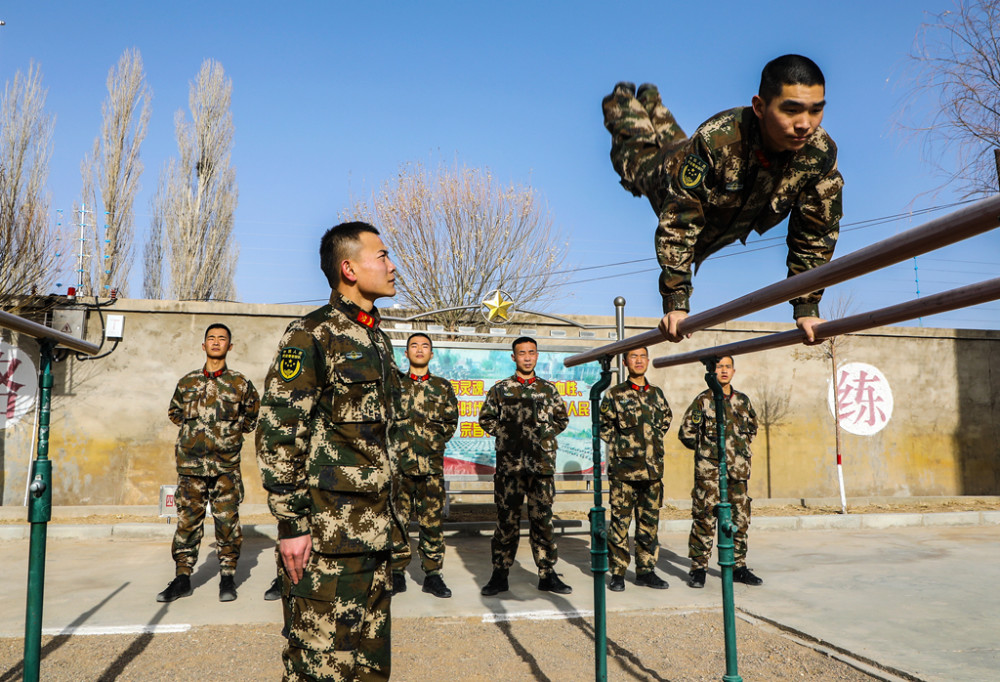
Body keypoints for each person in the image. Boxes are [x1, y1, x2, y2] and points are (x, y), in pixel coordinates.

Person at [602, 54, 844, 344]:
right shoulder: (717, 140)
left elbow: (815, 232)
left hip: (689, 153)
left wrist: (807, 305)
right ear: (759, 107)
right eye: (791, 111)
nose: (805, 124)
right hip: (665, 176)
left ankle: (651, 100)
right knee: (636, 156)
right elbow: (680, 219)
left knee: (675, 140)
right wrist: (676, 302)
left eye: (815, 110)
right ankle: (623, 98)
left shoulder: (819, 153)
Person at [256, 221, 401, 681]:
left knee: (370, 670)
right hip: (327, 542)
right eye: (381, 255)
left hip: (375, 539)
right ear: (349, 268)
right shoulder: (311, 334)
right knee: (319, 669)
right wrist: (292, 523)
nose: (392, 264)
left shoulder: (377, 339)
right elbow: (279, 431)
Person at [156, 323, 260, 603]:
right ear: (204, 346)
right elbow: (175, 413)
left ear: (230, 346)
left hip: (225, 467)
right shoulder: (187, 382)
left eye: (221, 339)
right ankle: (182, 578)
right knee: (187, 522)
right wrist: (196, 436)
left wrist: (228, 435)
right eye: (211, 338)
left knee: (227, 522)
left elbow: (251, 418)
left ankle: (227, 577)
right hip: (191, 468)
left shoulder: (240, 384)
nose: (216, 342)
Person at [478, 337, 572, 596]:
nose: (527, 357)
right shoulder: (501, 389)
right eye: (522, 353)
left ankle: (547, 574)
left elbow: (562, 419)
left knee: (542, 521)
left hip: (540, 466)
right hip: (510, 467)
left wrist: (542, 434)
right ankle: (499, 574)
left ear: (537, 355)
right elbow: (486, 419)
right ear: (514, 357)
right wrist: (507, 434)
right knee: (506, 522)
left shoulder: (548, 390)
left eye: (531, 352)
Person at [678, 355, 762, 589]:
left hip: (738, 474)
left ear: (734, 371)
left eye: (727, 367)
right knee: (704, 520)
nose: (723, 371)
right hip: (710, 476)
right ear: (712, 372)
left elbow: (752, 430)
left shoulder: (743, 401)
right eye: (719, 367)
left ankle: (739, 567)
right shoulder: (703, 401)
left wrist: (738, 454)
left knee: (740, 521)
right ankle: (698, 569)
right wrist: (708, 452)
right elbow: (686, 433)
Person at [390, 332, 459, 599]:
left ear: (432, 353)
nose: (419, 350)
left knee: (432, 522)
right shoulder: (395, 386)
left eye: (425, 346)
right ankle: (397, 572)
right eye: (414, 346)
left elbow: (450, 423)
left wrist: (432, 443)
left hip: (430, 467)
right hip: (400, 467)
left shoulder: (442, 387)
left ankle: (433, 575)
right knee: (398, 520)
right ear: (405, 354)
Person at [599, 347, 672, 591]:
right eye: (633, 357)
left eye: (642, 356)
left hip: (652, 471)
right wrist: (625, 447)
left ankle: (646, 571)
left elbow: (665, 422)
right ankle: (618, 573)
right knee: (620, 523)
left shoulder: (657, 394)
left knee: (649, 523)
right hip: (624, 472)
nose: (638, 361)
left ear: (648, 361)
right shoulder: (615, 394)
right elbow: (604, 427)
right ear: (625, 361)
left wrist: (649, 446)